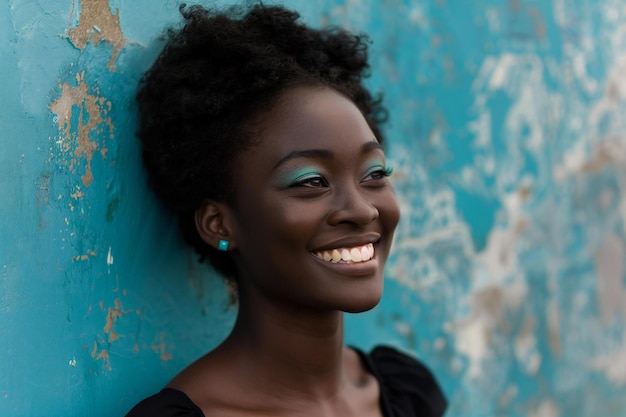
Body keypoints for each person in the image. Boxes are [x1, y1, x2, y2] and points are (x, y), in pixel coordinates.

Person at [125, 3, 447, 416]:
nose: (363, 210)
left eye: (374, 173)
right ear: (218, 222)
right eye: (312, 181)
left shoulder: (403, 393)